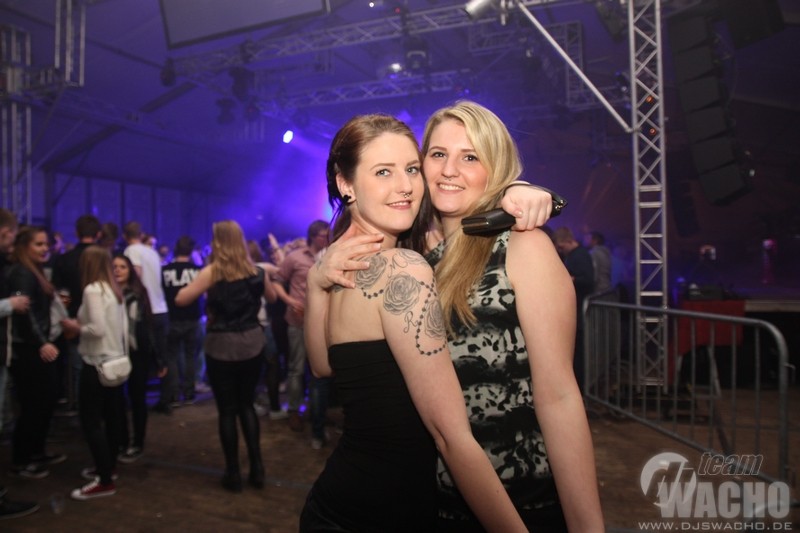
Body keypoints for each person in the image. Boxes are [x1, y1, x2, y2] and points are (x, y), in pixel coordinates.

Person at [313, 102, 604, 532]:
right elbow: (331, 364)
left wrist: (588, 527)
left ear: (495, 167)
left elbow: (559, 397)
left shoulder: (522, 248)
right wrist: (318, 277)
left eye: (470, 157)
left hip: (521, 499)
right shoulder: (414, 253)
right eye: (437, 155)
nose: (449, 170)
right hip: (437, 505)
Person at [301, 113, 528, 532]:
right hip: (380, 515)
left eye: (411, 169)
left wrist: (316, 285)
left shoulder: (339, 262)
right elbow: (450, 437)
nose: (405, 185)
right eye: (383, 172)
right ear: (345, 184)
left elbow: (322, 366)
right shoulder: (402, 268)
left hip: (339, 505)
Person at [175, 220, 277, 492]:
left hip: (221, 345)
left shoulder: (212, 273)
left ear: (217, 242)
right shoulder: (256, 271)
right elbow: (272, 298)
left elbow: (181, 299)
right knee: (246, 406)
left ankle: (233, 474)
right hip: (251, 343)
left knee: (227, 411)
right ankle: (257, 468)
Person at [61, 246, 128, 500]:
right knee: (111, 417)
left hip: (96, 362)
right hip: (114, 360)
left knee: (91, 421)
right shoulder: (113, 289)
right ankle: (108, 467)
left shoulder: (93, 290)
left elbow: (96, 329)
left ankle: (104, 479)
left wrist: (75, 326)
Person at [6, 226, 66, 479]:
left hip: (36, 345)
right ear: (24, 247)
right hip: (29, 349)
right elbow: (25, 311)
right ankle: (23, 459)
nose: (44, 249)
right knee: (33, 404)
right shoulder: (22, 272)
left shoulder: (32, 271)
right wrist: (41, 342)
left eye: (46, 244)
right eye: (38, 244)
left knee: (44, 401)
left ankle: (36, 452)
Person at [272, 220, 330, 442]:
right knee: (296, 368)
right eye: (323, 235)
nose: (326, 239)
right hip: (298, 320)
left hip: (323, 321)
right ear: (313, 236)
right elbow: (277, 281)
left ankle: (318, 414)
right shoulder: (295, 257)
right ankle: (294, 411)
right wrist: (289, 300)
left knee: (319, 371)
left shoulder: (330, 256)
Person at [112, 253, 164, 464]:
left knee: (137, 398)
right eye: (114, 266)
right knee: (117, 399)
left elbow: (148, 328)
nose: (117, 270)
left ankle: (137, 443)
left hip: (137, 352)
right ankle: (121, 440)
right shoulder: (107, 293)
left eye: (122, 267)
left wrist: (158, 358)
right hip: (115, 351)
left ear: (130, 271)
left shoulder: (138, 294)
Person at [123, 221, 171, 413]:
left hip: (145, 310)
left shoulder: (131, 251)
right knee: (162, 356)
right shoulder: (152, 252)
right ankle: (165, 399)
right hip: (160, 307)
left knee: (140, 358)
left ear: (125, 236)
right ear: (141, 234)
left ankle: (137, 401)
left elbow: (136, 275)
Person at [161, 236, 202, 406]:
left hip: (171, 318)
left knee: (172, 356)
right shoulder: (198, 271)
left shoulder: (164, 270)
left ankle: (174, 395)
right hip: (192, 317)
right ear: (191, 251)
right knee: (190, 356)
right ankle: (189, 393)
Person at [553, 226, 595, 390]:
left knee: (578, 351)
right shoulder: (574, 255)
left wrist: (571, 279)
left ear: (568, 241)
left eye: (561, 247)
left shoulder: (580, 255)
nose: (561, 251)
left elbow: (589, 280)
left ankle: (579, 387)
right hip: (575, 309)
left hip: (580, 309)